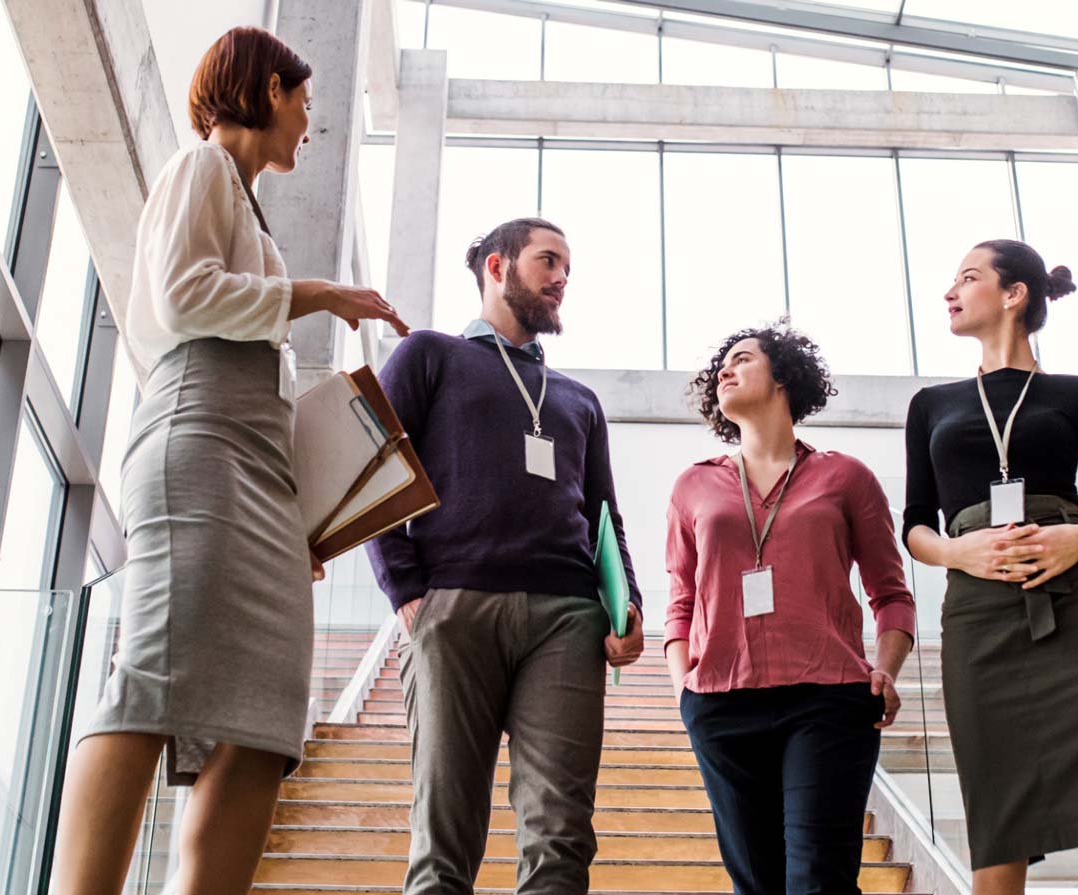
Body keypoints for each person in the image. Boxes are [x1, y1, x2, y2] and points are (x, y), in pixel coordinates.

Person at [50, 27, 408, 895]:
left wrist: (302, 517)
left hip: (256, 466)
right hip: (199, 437)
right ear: (268, 89)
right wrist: (316, 294)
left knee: (269, 713)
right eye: (306, 102)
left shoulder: (250, 210)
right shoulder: (201, 168)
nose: (310, 123)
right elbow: (182, 295)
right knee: (154, 672)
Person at [367, 216, 648, 895]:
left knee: (561, 836)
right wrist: (403, 587)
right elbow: (374, 468)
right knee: (444, 838)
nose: (560, 279)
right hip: (454, 606)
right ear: (497, 267)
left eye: (567, 270)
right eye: (548, 261)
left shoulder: (579, 399)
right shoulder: (428, 355)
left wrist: (628, 600)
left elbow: (604, 512)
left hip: (568, 619)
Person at [901, 239, 1078, 895]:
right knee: (998, 834)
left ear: (1014, 293)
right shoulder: (931, 404)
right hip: (978, 616)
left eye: (967, 277)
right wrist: (959, 552)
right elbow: (915, 527)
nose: (949, 292)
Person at [663, 323, 916, 895]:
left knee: (818, 882)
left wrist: (886, 669)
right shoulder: (693, 486)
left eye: (742, 359)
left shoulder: (845, 476)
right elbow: (680, 602)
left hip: (828, 702)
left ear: (783, 378)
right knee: (756, 885)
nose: (725, 370)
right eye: (720, 367)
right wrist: (686, 690)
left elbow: (892, 593)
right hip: (720, 704)